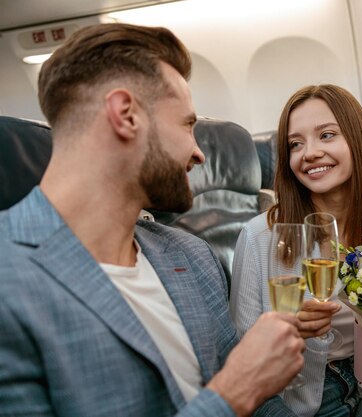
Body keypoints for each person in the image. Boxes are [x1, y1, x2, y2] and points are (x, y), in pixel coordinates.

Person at [0, 23, 305, 417]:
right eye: (187, 124)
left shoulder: (191, 255)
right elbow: (244, 387)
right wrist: (234, 395)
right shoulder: (9, 282)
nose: (199, 154)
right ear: (126, 115)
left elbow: (262, 402)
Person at [229, 85, 362, 417]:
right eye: (295, 144)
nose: (309, 152)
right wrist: (290, 333)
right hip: (308, 391)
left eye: (326, 135)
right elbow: (241, 349)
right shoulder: (260, 236)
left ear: (356, 142)